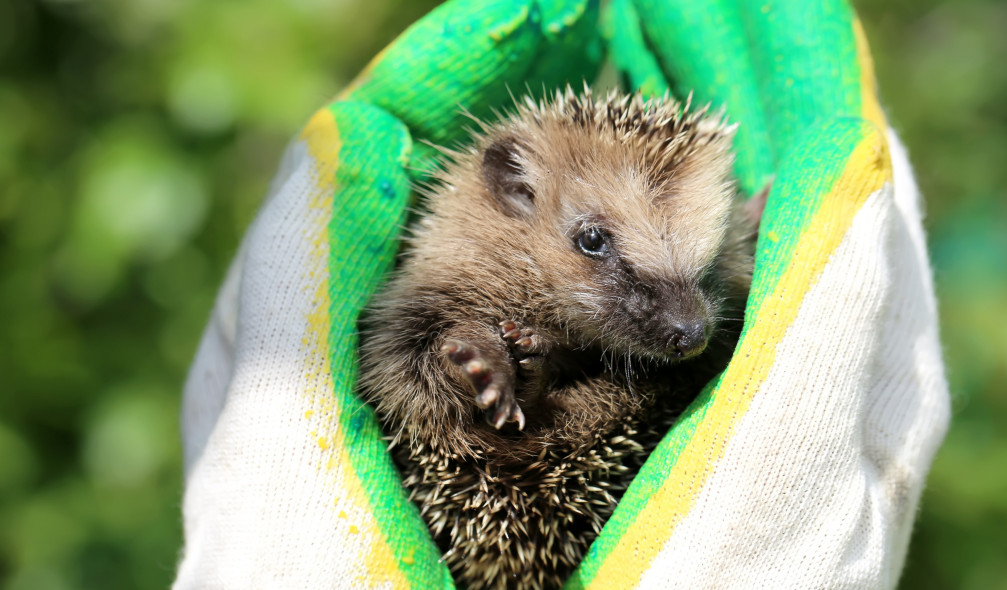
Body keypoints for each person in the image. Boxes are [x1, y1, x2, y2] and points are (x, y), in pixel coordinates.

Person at [174, 0, 950, 587]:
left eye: (703, 269)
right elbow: (409, 403)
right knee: (429, 363)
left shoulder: (682, 297)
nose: (685, 316)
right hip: (513, 461)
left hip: (598, 460)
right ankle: (493, 372)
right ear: (512, 187)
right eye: (597, 245)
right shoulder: (462, 268)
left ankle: (506, 369)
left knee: (654, 377)